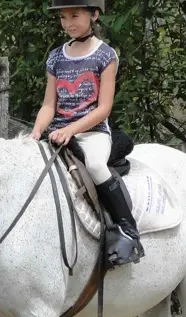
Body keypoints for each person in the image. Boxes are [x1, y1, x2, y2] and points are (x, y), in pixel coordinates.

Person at [28, 0, 144, 266]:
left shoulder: (105, 55)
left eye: (75, 16)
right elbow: (49, 104)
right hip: (59, 132)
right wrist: (35, 133)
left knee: (94, 165)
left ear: (94, 14)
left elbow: (103, 109)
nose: (68, 23)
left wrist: (71, 128)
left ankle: (128, 229)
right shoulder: (56, 57)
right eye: (63, 17)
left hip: (92, 133)